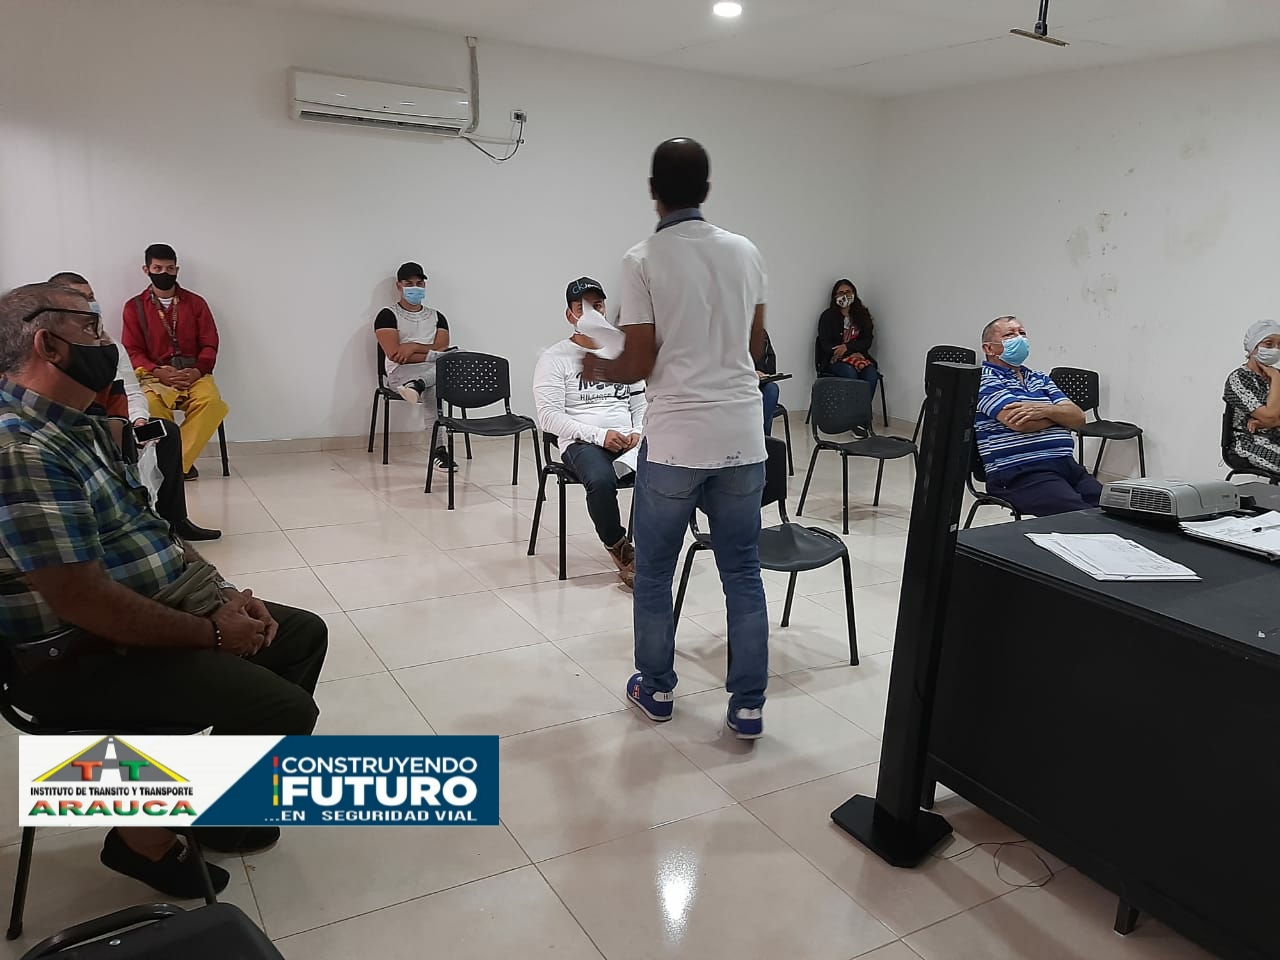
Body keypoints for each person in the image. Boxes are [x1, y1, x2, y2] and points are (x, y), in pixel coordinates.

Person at [0, 282, 327, 898]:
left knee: (301, 635)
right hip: (77, 654)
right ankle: (141, 839)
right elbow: (83, 601)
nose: (107, 344)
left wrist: (222, 592)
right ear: (49, 344)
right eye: (92, 330)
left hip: (139, 614)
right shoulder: (20, 448)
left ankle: (218, 808)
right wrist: (211, 633)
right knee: (281, 708)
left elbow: (151, 530)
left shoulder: (77, 426)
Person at [581, 138, 770, 740]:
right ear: (707, 190)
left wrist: (598, 366)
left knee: (656, 572)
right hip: (742, 434)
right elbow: (757, 348)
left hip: (677, 442)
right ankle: (748, 706)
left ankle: (657, 688)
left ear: (652, 191)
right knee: (743, 571)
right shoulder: (746, 251)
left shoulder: (642, 259)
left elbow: (638, 361)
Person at [49, 272, 220, 541]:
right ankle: (125, 523)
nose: (90, 304)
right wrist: (157, 371)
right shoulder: (50, 348)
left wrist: (139, 420)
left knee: (165, 431)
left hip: (126, 422)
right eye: (81, 298)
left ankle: (175, 521)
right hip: (79, 430)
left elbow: (130, 389)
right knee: (143, 417)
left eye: (91, 297)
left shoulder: (109, 345)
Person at [533, 278, 645, 587]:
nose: (592, 313)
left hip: (629, 438)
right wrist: (600, 436)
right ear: (570, 315)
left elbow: (641, 403)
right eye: (582, 308)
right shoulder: (554, 358)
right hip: (582, 441)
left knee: (665, 472)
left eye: (597, 306)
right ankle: (619, 546)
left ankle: (652, 548)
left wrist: (638, 431)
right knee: (600, 479)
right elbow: (549, 418)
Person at [121, 244, 229, 480]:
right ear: (146, 270)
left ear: (177, 270)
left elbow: (210, 344)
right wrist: (157, 371)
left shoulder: (196, 303)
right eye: (158, 268)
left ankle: (174, 466)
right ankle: (176, 463)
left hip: (194, 374)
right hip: (154, 377)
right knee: (149, 405)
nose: (164, 273)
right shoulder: (134, 307)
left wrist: (197, 370)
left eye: (170, 268)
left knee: (211, 403)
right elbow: (132, 350)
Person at [975, 316, 1097, 517]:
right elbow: (1021, 423)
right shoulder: (983, 379)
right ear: (989, 348)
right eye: (1009, 335)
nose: (1019, 338)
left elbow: (1078, 418)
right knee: (1083, 518)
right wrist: (1060, 417)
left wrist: (1044, 411)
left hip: (1068, 466)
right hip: (1020, 472)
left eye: (1022, 333)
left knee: (1117, 509)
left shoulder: (1039, 378)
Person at [373, 262, 456, 471]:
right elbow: (396, 355)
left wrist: (412, 347)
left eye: (419, 283)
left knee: (455, 357)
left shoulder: (437, 317)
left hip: (428, 372)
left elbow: (443, 349)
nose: (415, 287)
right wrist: (428, 354)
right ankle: (439, 450)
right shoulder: (387, 315)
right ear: (399, 286)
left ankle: (418, 385)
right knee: (437, 381)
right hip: (400, 374)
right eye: (409, 283)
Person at [1223, 319, 1280, 475]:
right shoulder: (1239, 379)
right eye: (1269, 344)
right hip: (1249, 441)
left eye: (1279, 345)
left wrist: (1271, 422)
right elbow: (1270, 415)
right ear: (1253, 346)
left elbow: (1271, 418)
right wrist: (1276, 378)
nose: (1275, 349)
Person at [817, 279, 879, 398]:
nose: (845, 295)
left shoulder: (863, 315)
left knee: (871, 374)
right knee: (850, 373)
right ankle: (852, 408)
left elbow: (867, 341)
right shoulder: (827, 316)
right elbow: (825, 344)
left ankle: (863, 408)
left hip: (859, 357)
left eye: (848, 292)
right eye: (841, 293)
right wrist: (847, 353)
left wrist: (848, 348)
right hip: (834, 360)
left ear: (854, 293)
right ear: (835, 296)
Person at [757, 329, 780, 435]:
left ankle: (764, 436)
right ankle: (758, 434)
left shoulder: (761, 333)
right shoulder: (729, 333)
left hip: (760, 384)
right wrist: (750, 372)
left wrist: (762, 373)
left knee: (772, 389)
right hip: (738, 385)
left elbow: (771, 367)